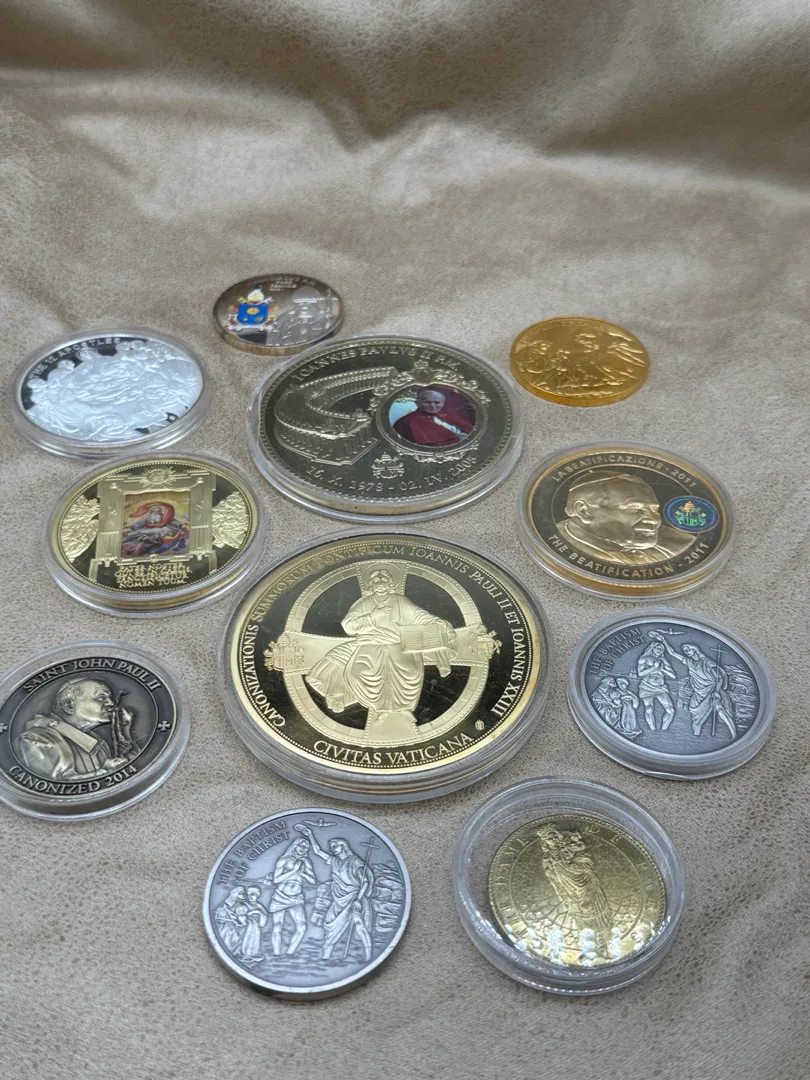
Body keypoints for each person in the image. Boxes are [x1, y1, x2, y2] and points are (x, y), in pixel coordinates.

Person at [305, 564, 457, 742]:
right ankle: (381, 709)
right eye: (376, 580)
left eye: (384, 579)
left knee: (409, 672)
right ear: (371, 584)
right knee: (360, 673)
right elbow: (349, 626)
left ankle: (403, 708)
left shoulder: (400, 601)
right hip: (371, 644)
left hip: (398, 644)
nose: (380, 583)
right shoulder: (364, 603)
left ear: (390, 583)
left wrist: (436, 622)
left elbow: (419, 616)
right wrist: (372, 616)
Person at [556, 472, 692, 565]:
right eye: (634, 508)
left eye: (654, 509)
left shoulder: (680, 544)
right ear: (583, 511)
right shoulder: (556, 545)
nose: (654, 520)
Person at [14, 677, 135, 780]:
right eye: (100, 697)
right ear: (69, 706)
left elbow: (133, 767)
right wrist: (106, 773)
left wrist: (124, 729)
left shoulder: (98, 741)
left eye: (110, 697)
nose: (111, 703)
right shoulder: (35, 740)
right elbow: (57, 789)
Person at [297, 825, 374, 962]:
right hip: (338, 900)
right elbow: (317, 851)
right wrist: (310, 835)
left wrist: (358, 899)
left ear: (343, 846)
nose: (332, 849)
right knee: (329, 929)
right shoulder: (335, 861)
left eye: (334, 846)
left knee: (359, 923)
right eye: (331, 847)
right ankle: (325, 958)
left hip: (353, 898)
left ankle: (369, 955)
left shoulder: (355, 861)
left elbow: (365, 882)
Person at [649, 632, 736, 738]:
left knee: (720, 709)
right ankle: (696, 736)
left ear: (694, 650)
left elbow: (719, 678)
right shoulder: (689, 662)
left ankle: (734, 735)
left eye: (688, 650)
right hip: (698, 693)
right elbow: (672, 653)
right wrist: (663, 640)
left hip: (711, 690)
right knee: (696, 721)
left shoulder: (707, 662)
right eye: (685, 651)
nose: (686, 652)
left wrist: (717, 691)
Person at [265, 837, 316, 956]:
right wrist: (294, 870)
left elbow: (313, 881)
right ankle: (277, 954)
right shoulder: (284, 860)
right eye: (301, 846)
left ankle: (289, 953)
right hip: (281, 896)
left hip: (296, 898)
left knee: (302, 926)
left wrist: (302, 873)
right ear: (295, 846)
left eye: (306, 848)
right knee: (277, 926)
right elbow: (276, 880)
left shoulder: (306, 861)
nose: (303, 849)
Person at [393, 387, 474, 447]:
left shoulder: (448, 416)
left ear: (443, 404)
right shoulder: (409, 421)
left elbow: (470, 430)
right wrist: (458, 439)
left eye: (437, 403)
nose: (432, 406)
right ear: (418, 403)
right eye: (427, 402)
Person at [120, 502, 189, 557]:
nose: (155, 514)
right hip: (149, 531)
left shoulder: (165, 518)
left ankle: (129, 538)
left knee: (142, 533)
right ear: (150, 513)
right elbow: (140, 523)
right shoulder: (148, 518)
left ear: (161, 513)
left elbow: (173, 522)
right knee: (137, 534)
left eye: (157, 513)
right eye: (153, 513)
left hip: (161, 530)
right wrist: (133, 527)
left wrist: (181, 525)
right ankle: (126, 539)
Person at [635, 639, 677, 730]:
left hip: (661, 687)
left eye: (661, 649)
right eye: (657, 648)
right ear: (652, 648)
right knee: (649, 708)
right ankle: (652, 730)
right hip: (647, 686)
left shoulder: (663, 660)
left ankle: (663, 730)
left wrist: (662, 669)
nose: (659, 650)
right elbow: (640, 673)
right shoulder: (644, 658)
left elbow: (673, 676)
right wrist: (654, 667)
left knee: (671, 710)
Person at [235, 886, 269, 965]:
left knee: (254, 940)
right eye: (248, 894)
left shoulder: (260, 906)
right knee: (246, 939)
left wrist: (257, 912)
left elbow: (264, 919)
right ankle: (243, 953)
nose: (250, 897)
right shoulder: (244, 904)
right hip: (246, 927)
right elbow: (239, 914)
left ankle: (252, 954)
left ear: (257, 895)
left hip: (256, 928)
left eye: (253, 894)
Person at [214, 887, 247, 954]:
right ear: (235, 894)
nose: (243, 895)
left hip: (235, 926)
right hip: (225, 927)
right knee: (229, 932)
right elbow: (218, 917)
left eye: (244, 894)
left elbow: (240, 919)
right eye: (241, 893)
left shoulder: (241, 906)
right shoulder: (224, 906)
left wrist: (241, 921)